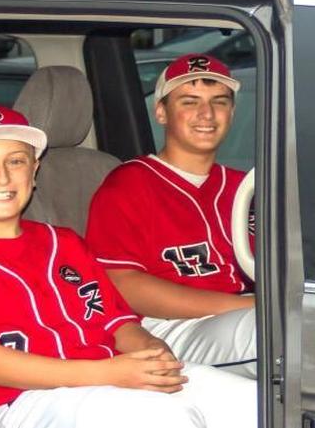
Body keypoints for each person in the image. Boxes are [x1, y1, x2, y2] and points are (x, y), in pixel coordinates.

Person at [0, 104, 255, 428]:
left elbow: (119, 323)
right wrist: (110, 373)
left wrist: (151, 354)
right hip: (26, 400)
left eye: (16, 161)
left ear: (34, 172)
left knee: (254, 403)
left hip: (107, 376)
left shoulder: (64, 242)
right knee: (162, 416)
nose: (1, 177)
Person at [85, 53, 256, 377]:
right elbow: (122, 285)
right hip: (165, 330)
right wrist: (251, 307)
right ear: (161, 112)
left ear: (232, 112)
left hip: (243, 315)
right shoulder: (129, 184)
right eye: (189, 102)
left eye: (219, 102)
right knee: (281, 333)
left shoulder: (244, 187)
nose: (206, 114)